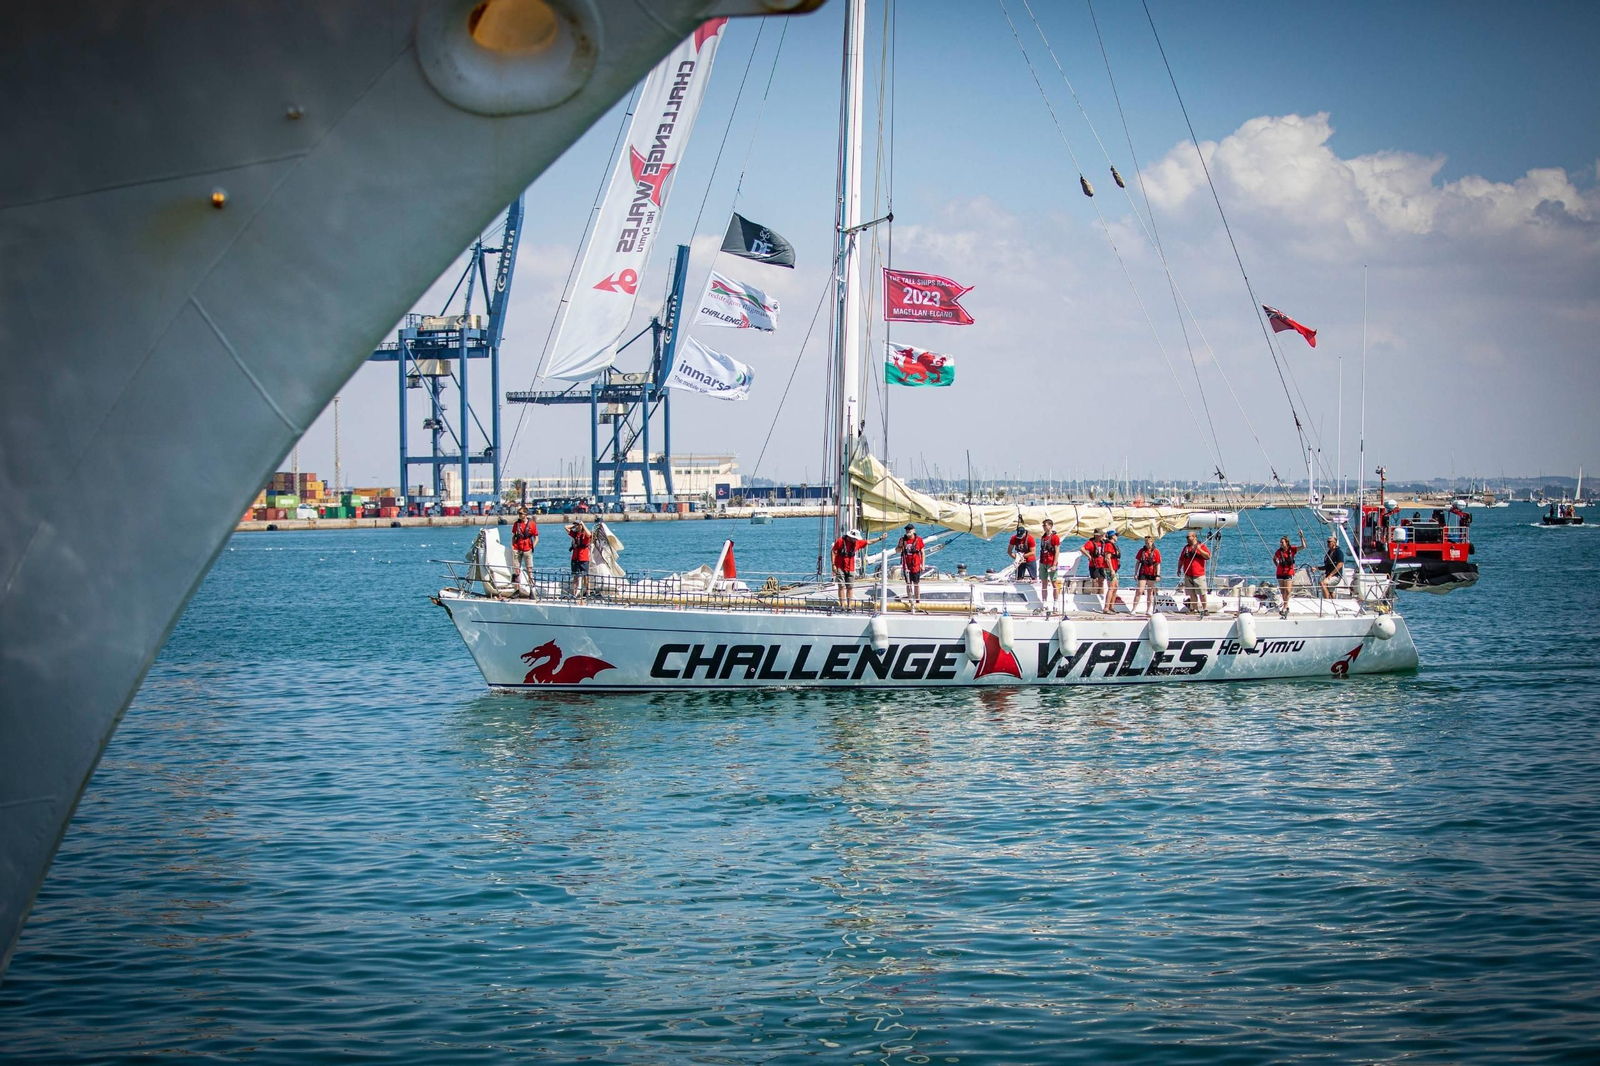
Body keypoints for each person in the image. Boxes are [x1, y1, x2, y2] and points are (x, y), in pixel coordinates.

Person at [831, 527, 883, 607]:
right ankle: (842, 605)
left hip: (851, 568)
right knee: (841, 586)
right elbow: (833, 551)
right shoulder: (840, 541)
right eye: (855, 538)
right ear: (851, 537)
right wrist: (833, 565)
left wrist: (880, 538)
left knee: (850, 587)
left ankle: (849, 606)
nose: (856, 540)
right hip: (840, 567)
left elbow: (869, 542)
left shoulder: (857, 543)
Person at [1177, 531, 1211, 614]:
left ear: (1194, 537)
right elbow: (1181, 559)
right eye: (1187, 537)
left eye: (1189, 537)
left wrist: (1199, 550)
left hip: (1198, 574)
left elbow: (1208, 556)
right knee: (1191, 593)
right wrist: (1179, 569)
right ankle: (1194, 609)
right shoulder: (1186, 548)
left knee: (1201, 593)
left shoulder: (1201, 546)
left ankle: (1205, 609)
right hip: (1188, 574)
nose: (1187, 539)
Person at [1273, 532, 1306, 617]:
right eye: (1280, 542)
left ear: (1286, 543)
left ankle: (1285, 606)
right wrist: (1277, 565)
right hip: (1280, 572)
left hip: (1289, 572)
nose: (1280, 544)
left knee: (1288, 590)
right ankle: (1284, 605)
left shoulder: (1292, 549)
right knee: (1283, 590)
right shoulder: (1278, 552)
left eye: (1282, 542)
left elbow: (1303, 547)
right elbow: (1274, 558)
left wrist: (1301, 537)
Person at [896, 523, 926, 610]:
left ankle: (917, 601)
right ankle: (910, 601)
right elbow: (897, 550)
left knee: (916, 584)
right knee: (908, 584)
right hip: (906, 565)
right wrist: (900, 545)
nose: (908, 531)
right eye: (907, 530)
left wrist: (922, 565)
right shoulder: (902, 540)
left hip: (915, 565)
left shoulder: (919, 540)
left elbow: (922, 552)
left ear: (913, 530)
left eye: (910, 530)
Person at [1131, 535, 1161, 615]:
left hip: (1152, 573)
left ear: (1152, 542)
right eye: (1146, 543)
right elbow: (1137, 563)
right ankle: (1134, 609)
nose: (1147, 545)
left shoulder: (1156, 551)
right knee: (1139, 590)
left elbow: (1158, 564)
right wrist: (1136, 573)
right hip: (1143, 572)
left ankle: (1148, 609)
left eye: (1148, 543)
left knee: (1150, 591)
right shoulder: (1141, 551)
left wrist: (1158, 575)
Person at [1037, 519, 1062, 611]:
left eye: (1045, 525)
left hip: (1051, 562)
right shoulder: (1043, 537)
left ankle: (1055, 603)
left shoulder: (1055, 537)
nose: (1043, 527)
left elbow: (1057, 551)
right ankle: (1044, 602)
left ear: (1050, 526)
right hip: (1043, 562)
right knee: (1044, 583)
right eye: (1043, 525)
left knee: (1054, 583)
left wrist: (1054, 564)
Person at [511, 507, 538, 589]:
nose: (519, 515)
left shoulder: (532, 524)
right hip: (517, 548)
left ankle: (531, 587)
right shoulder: (516, 524)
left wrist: (532, 547)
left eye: (521, 513)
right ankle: (516, 589)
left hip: (527, 549)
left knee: (529, 569)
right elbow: (513, 536)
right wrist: (512, 546)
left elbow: (536, 537)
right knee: (516, 569)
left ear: (525, 514)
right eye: (518, 513)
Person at [567, 518, 592, 597]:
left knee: (586, 576)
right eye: (576, 525)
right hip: (575, 557)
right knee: (575, 576)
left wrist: (582, 524)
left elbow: (589, 534)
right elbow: (566, 527)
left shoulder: (585, 534)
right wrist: (574, 526)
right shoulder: (574, 534)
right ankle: (575, 593)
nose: (577, 527)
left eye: (578, 525)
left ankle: (588, 592)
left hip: (583, 558)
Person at [1101, 528, 1122, 612]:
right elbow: (1107, 558)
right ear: (1112, 536)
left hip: (1115, 568)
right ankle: (1106, 607)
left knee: (1115, 587)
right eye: (1116, 535)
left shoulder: (1113, 545)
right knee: (1111, 587)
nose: (1117, 537)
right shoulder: (1108, 545)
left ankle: (1111, 606)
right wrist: (1112, 570)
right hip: (1110, 569)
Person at [1084, 529, 1107, 598]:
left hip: (1102, 564)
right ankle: (1093, 595)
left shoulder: (1103, 542)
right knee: (1094, 581)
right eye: (1101, 535)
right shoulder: (1090, 543)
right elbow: (1082, 549)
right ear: (1097, 536)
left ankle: (1101, 594)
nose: (1102, 537)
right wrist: (1089, 556)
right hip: (1094, 564)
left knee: (1101, 580)